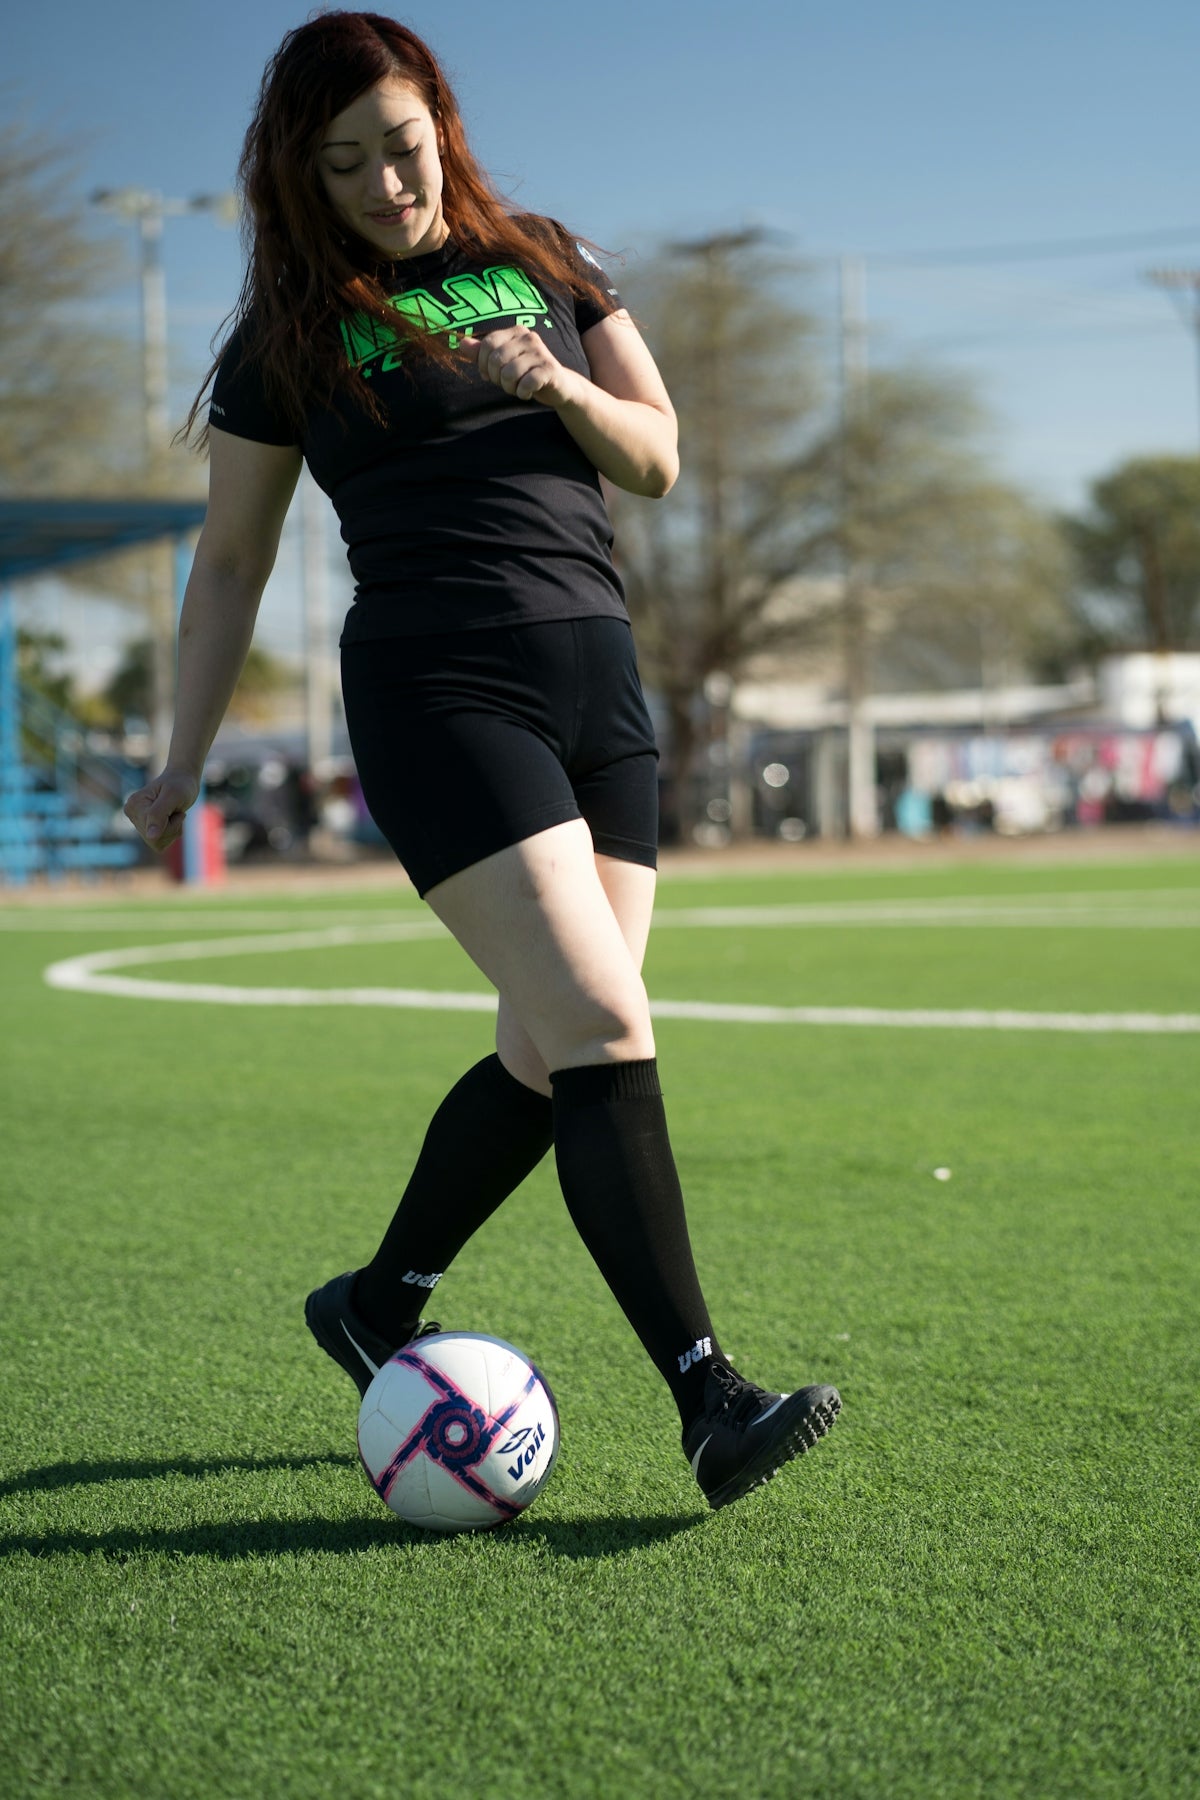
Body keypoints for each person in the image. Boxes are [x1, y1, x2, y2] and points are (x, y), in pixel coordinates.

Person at [123, 10, 840, 1511]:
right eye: (345, 167)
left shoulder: (551, 255)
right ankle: (709, 1397)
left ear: (438, 120)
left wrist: (556, 384)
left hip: (600, 687)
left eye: (401, 144)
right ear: (298, 184)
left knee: (554, 1043)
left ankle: (380, 1300)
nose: (389, 183)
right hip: (439, 689)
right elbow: (234, 560)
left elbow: (657, 454)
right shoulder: (286, 338)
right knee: (596, 1018)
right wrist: (182, 755)